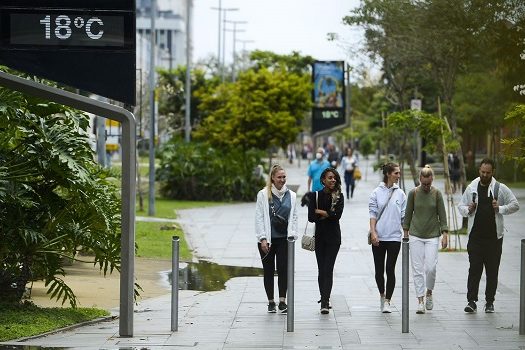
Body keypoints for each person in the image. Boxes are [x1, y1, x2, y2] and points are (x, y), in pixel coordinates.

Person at [458, 158, 519, 313]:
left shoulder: (499, 188)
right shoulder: (472, 187)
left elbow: (515, 205)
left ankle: (489, 302)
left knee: (492, 271)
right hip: (475, 238)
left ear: (493, 172)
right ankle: (471, 301)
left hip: (494, 239)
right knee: (474, 270)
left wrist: (500, 208)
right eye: (482, 172)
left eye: (488, 173)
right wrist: (468, 210)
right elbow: (460, 206)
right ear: (479, 170)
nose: (485, 175)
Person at [403, 165, 448, 314]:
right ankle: (420, 300)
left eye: (429, 183)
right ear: (420, 180)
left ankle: (429, 292)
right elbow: (408, 213)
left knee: (430, 267)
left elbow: (442, 214)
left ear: (432, 180)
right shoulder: (413, 193)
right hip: (415, 234)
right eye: (424, 183)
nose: (426, 186)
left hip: (432, 235)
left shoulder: (437, 194)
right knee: (417, 269)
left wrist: (445, 234)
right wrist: (405, 232)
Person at [255, 164, 298, 313]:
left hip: (284, 240)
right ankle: (270, 301)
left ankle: (282, 301)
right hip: (267, 239)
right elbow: (259, 217)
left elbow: (294, 217)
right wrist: (262, 238)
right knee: (268, 270)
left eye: (284, 177)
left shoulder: (291, 195)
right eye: (279, 177)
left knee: (283, 270)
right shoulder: (263, 194)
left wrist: (292, 236)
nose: (282, 180)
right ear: (272, 178)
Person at [368, 162, 406, 313]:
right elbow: (372, 214)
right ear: (388, 174)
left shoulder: (401, 194)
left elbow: (404, 216)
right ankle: (382, 295)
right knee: (379, 270)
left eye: (399, 172)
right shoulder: (376, 193)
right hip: (379, 236)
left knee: (390, 269)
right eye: (396, 173)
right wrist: (373, 233)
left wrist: (407, 234)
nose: (398, 175)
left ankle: (388, 301)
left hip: (395, 238)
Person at [306, 167, 344, 314]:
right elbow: (311, 217)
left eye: (334, 177)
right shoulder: (314, 196)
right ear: (323, 180)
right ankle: (323, 298)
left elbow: (337, 216)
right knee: (321, 270)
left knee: (328, 269)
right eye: (330, 177)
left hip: (334, 238)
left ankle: (325, 301)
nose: (333, 180)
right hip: (320, 238)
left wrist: (321, 212)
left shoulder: (339, 196)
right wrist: (328, 214)